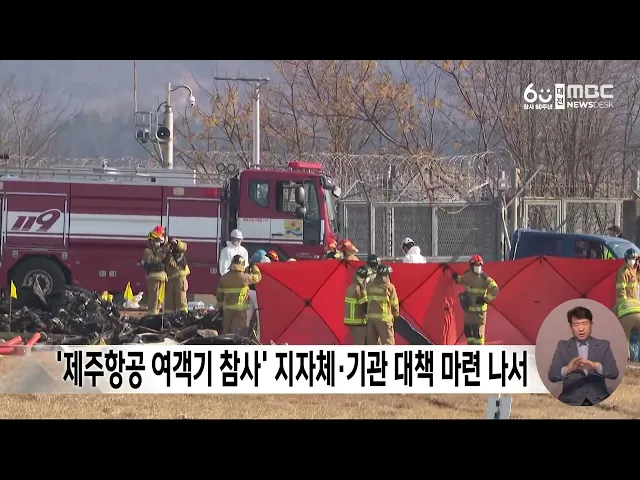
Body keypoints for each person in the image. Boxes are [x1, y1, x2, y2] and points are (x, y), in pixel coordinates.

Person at [548, 305, 619, 406]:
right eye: (576, 324)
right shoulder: (563, 346)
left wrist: (595, 366)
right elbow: (552, 376)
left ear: (591, 324)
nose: (581, 329)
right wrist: (568, 369)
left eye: (584, 323)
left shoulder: (603, 345)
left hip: (599, 400)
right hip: (570, 401)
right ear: (571, 327)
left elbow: (613, 373)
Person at [452, 254, 499, 345]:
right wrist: (455, 277)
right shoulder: (468, 276)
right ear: (471, 265)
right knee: (469, 335)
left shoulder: (485, 279)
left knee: (478, 336)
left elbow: (495, 289)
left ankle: (479, 352)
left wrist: (485, 300)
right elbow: (460, 280)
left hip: (479, 315)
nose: (478, 267)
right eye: (476, 265)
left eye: (479, 265)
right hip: (469, 313)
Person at [216, 254, 262, 335]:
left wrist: (220, 308)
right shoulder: (245, 278)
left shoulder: (224, 278)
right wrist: (254, 267)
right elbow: (257, 277)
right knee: (238, 334)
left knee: (226, 333)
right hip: (240, 312)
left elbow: (219, 296)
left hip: (227, 312)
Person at [614, 248, 640, 357]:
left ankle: (628, 357)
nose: (632, 260)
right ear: (626, 259)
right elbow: (621, 291)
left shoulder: (636, 270)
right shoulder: (623, 271)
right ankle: (628, 357)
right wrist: (625, 304)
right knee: (626, 335)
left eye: (634, 258)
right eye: (630, 258)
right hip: (627, 305)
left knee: (627, 335)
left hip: (633, 305)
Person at [366, 264, 399, 345]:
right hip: (384, 320)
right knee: (388, 343)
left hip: (371, 320)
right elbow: (394, 304)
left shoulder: (370, 285)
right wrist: (396, 315)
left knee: (372, 344)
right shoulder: (389, 287)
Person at [141, 226, 170, 315]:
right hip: (154, 277)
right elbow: (154, 260)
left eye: (159, 241)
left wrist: (164, 247)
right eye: (156, 240)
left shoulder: (160, 250)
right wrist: (162, 251)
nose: (157, 243)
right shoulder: (147, 251)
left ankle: (156, 315)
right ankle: (152, 316)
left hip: (163, 277)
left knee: (160, 301)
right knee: (154, 300)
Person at [344, 265, 371, 345]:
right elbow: (364, 307)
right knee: (361, 344)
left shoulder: (351, 287)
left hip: (352, 321)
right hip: (358, 321)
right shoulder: (360, 289)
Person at [164, 237, 190, 314]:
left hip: (179, 277)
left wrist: (176, 243)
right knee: (169, 301)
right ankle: (169, 316)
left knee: (181, 299)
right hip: (169, 278)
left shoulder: (177, 249)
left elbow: (184, 247)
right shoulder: (162, 251)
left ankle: (183, 315)